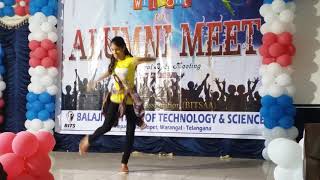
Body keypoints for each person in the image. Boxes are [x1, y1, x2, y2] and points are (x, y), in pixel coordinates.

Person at [79, 36, 156, 173]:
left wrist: (150, 58)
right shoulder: (114, 62)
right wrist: (95, 81)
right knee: (106, 127)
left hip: (129, 101)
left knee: (130, 132)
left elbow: (145, 59)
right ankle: (88, 140)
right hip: (115, 100)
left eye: (117, 50)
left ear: (123, 48)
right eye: (112, 50)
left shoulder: (131, 61)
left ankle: (124, 163)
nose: (114, 53)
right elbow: (109, 72)